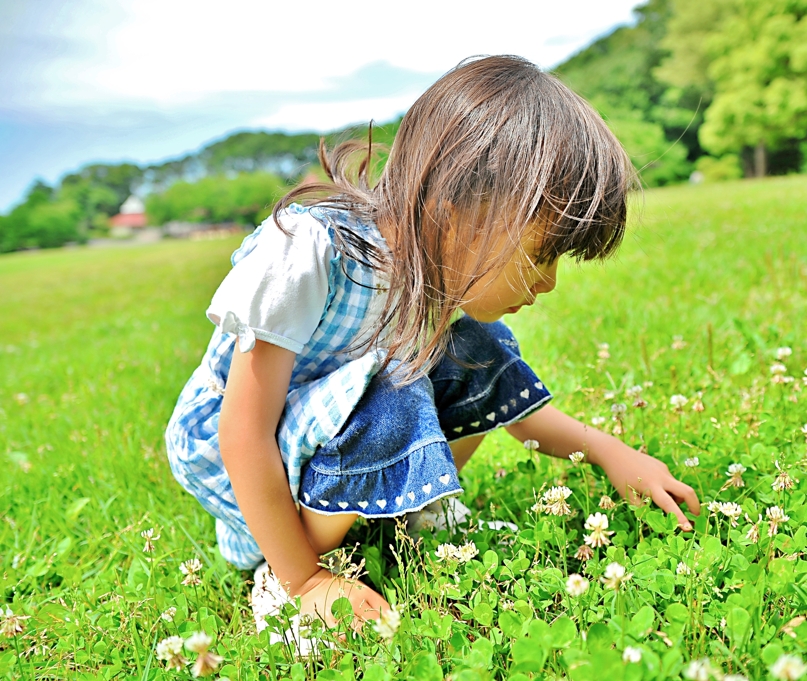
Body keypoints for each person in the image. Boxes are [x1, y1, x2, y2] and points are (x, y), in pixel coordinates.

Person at [163, 55, 701, 638]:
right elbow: (242, 433)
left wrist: (610, 452)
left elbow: (517, 413)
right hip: (240, 458)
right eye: (541, 254)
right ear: (459, 213)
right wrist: (306, 580)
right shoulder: (311, 253)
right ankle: (287, 567)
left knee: (476, 348)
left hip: (320, 432)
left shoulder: (434, 275)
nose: (548, 283)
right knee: (400, 381)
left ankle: (411, 510)